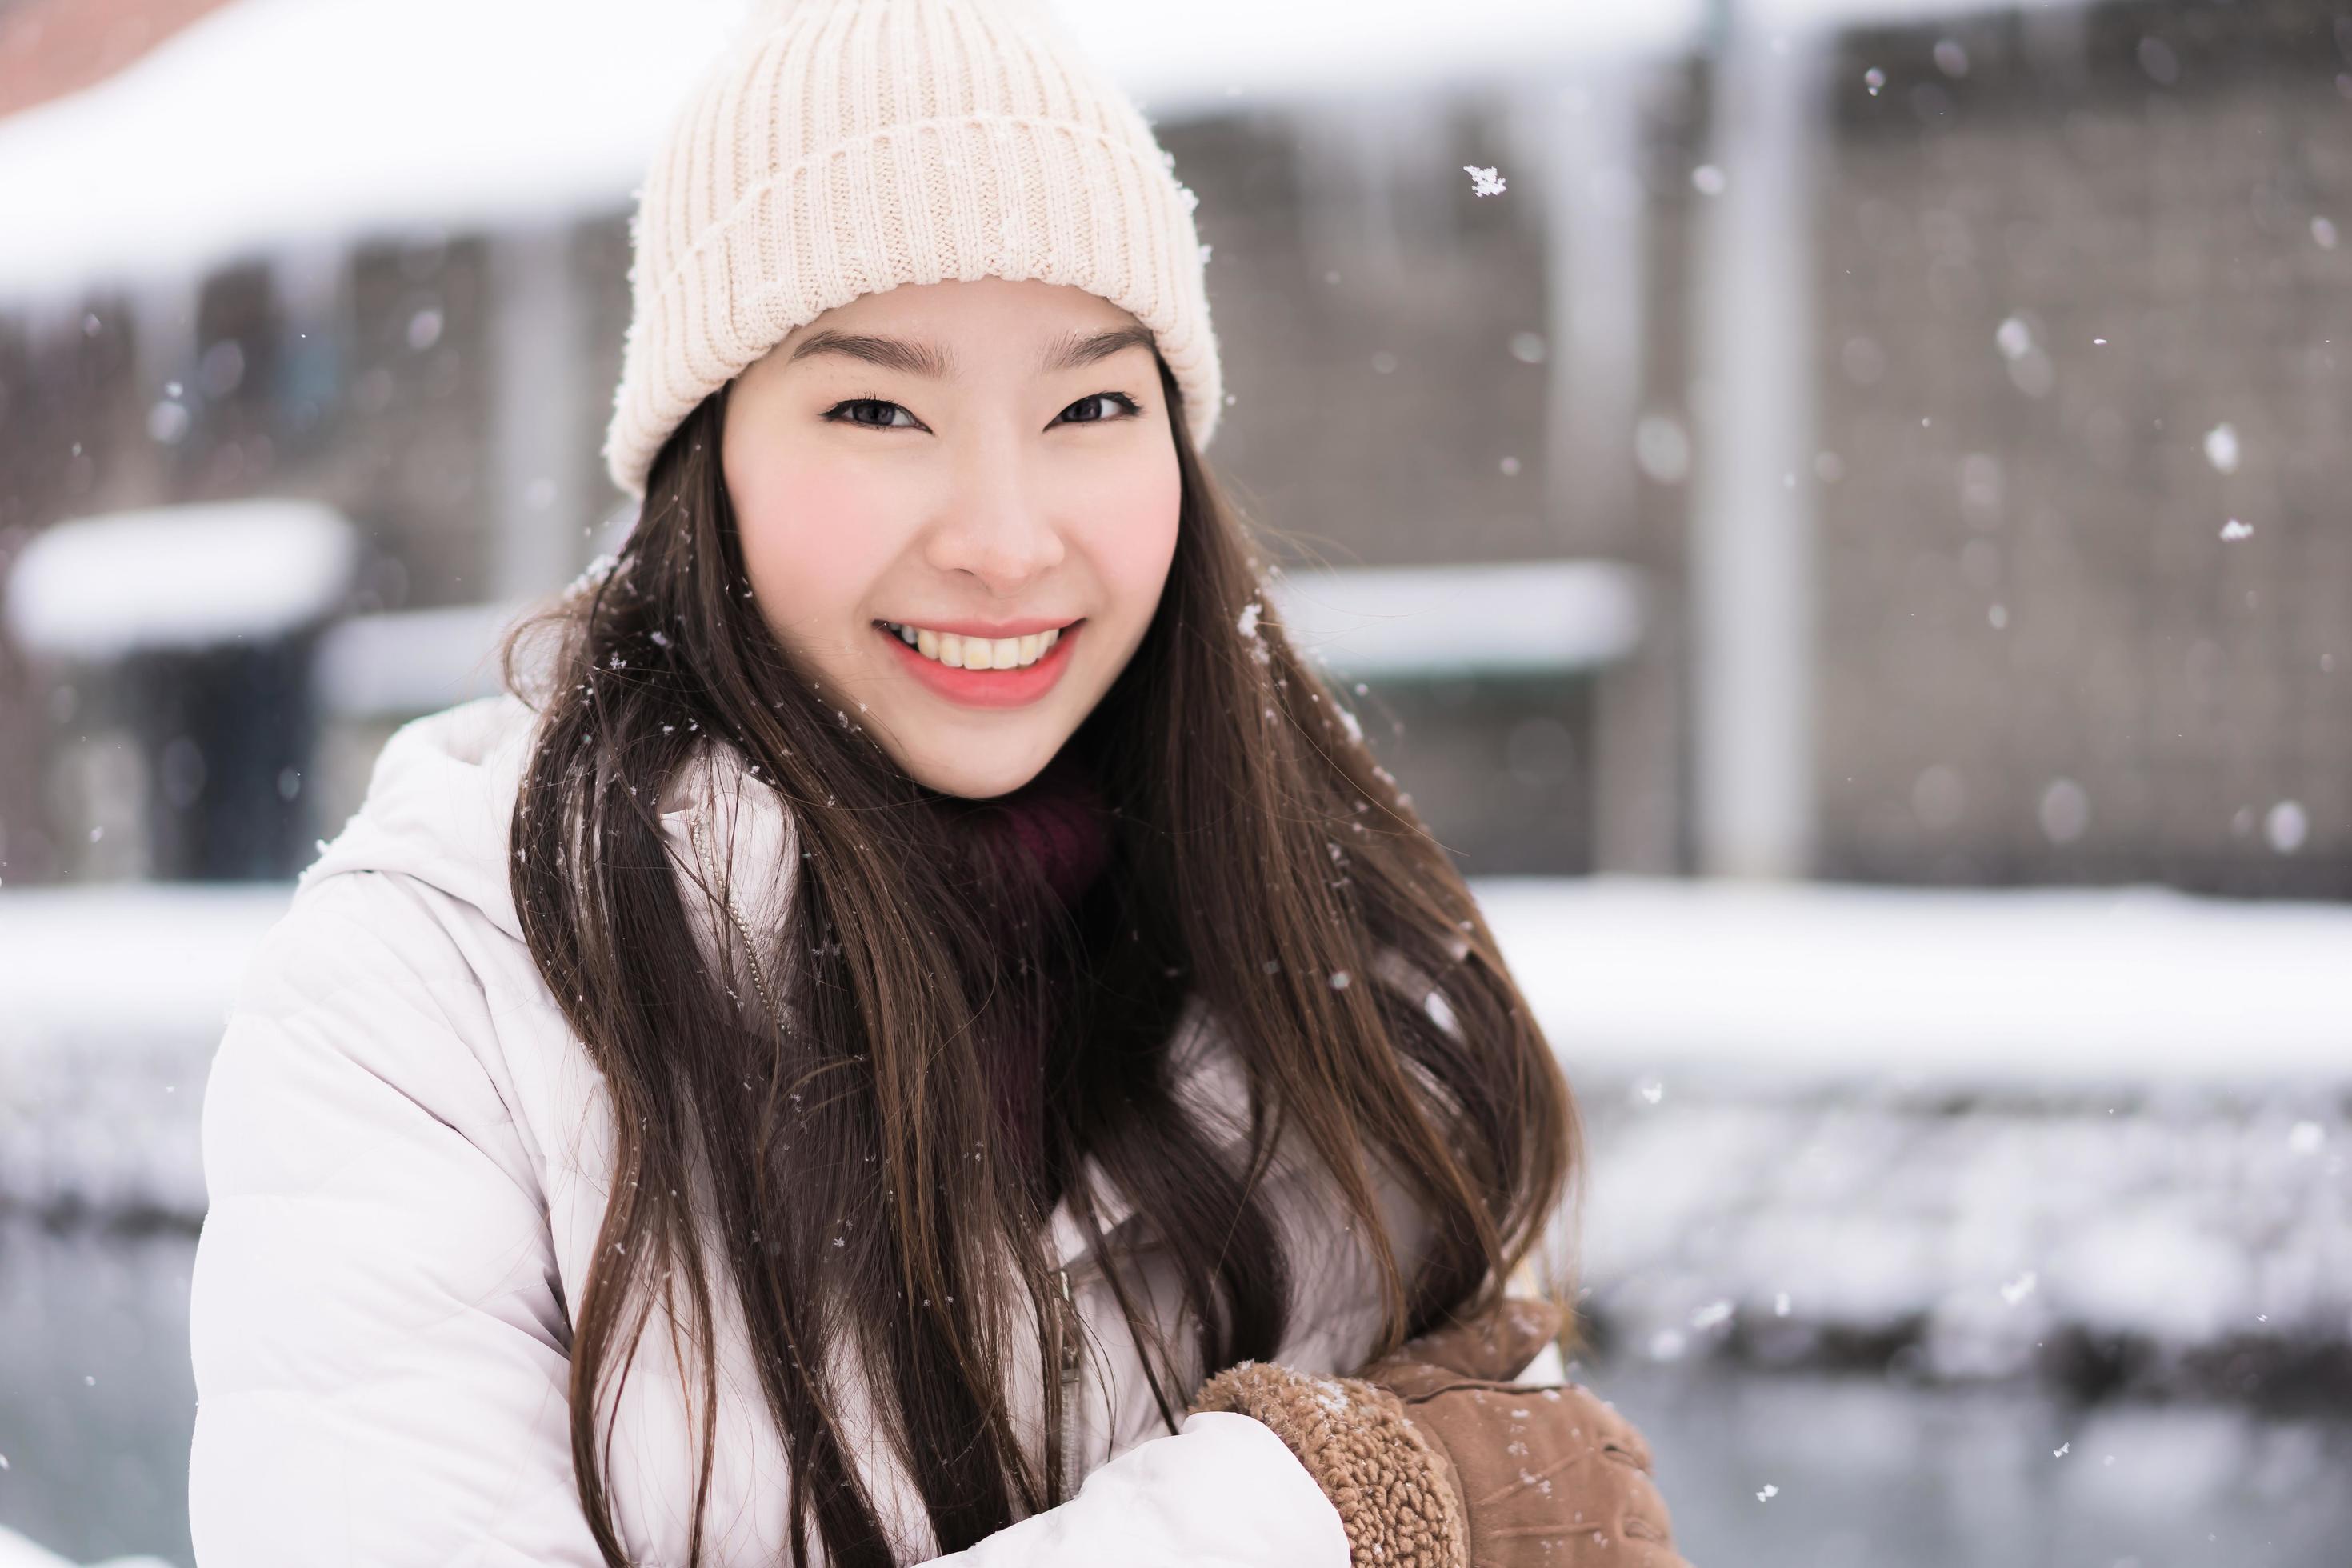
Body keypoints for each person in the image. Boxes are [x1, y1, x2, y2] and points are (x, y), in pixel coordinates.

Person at [186, 2, 1689, 1563]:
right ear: (710, 463)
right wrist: (1312, 1513)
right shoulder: (433, 986)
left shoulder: (1326, 961)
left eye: (1093, 405)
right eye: (878, 408)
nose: (1003, 533)